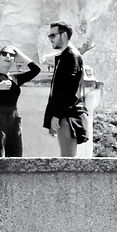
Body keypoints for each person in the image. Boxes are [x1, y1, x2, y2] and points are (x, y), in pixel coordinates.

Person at [41, 22, 88, 158]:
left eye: (53, 35)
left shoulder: (70, 56)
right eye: (49, 36)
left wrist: (56, 115)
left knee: (67, 161)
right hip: (66, 115)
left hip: (67, 116)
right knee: (67, 160)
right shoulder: (66, 55)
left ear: (64, 35)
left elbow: (69, 88)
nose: (50, 39)